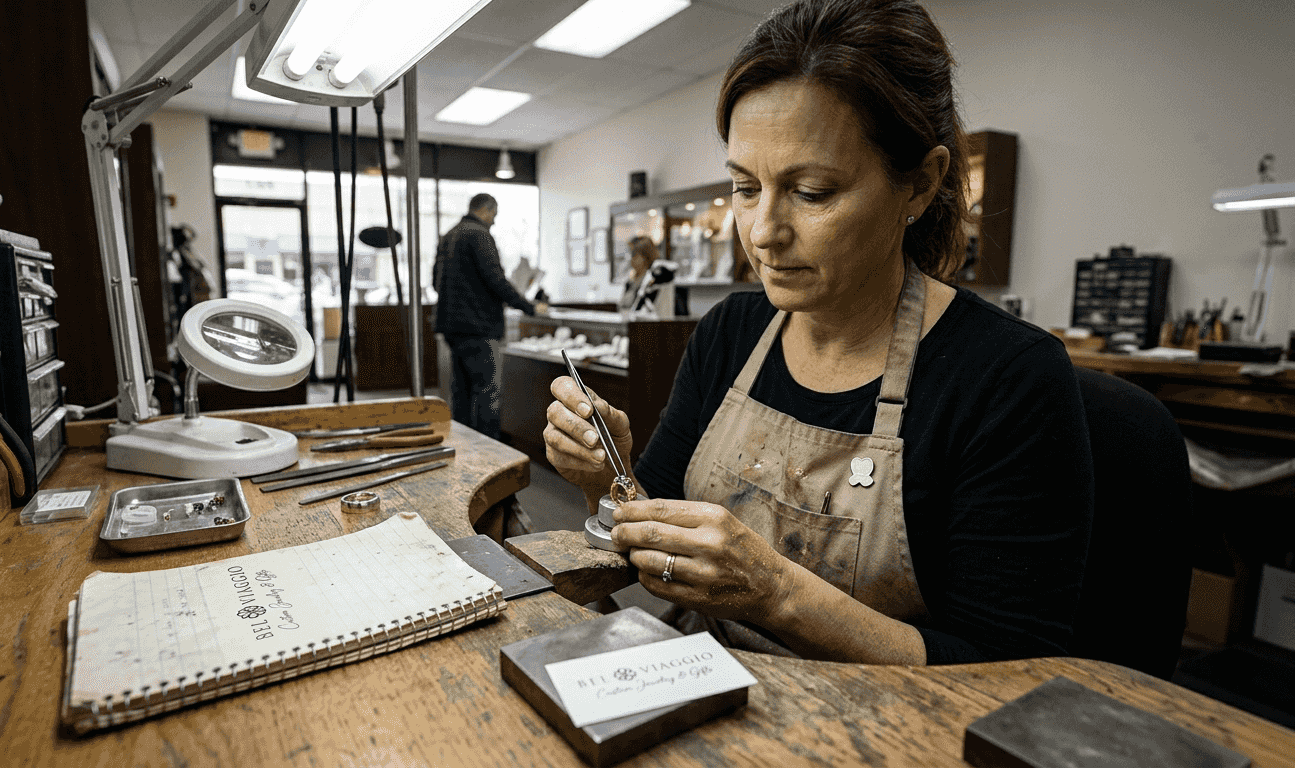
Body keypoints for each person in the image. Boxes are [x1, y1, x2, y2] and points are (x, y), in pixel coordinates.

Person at [543, 0, 1094, 666]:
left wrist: (775, 593)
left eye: (811, 192)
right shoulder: (731, 332)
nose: (764, 233)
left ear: (919, 185)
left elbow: (1007, 669)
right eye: (747, 188)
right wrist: (608, 479)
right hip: (705, 684)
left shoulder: (1006, 378)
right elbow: (655, 527)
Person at [435, 193, 548, 438]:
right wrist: (528, 307)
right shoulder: (479, 235)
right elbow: (496, 280)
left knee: (461, 394)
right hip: (479, 328)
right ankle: (491, 454)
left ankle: (463, 447)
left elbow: (436, 281)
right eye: (494, 215)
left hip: (453, 328)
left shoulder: (448, 236)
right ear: (486, 210)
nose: (494, 221)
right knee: (488, 394)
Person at [616, 236, 660, 312]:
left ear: (646, 256)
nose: (630, 258)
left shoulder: (653, 283)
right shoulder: (630, 281)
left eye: (634, 255)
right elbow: (622, 305)